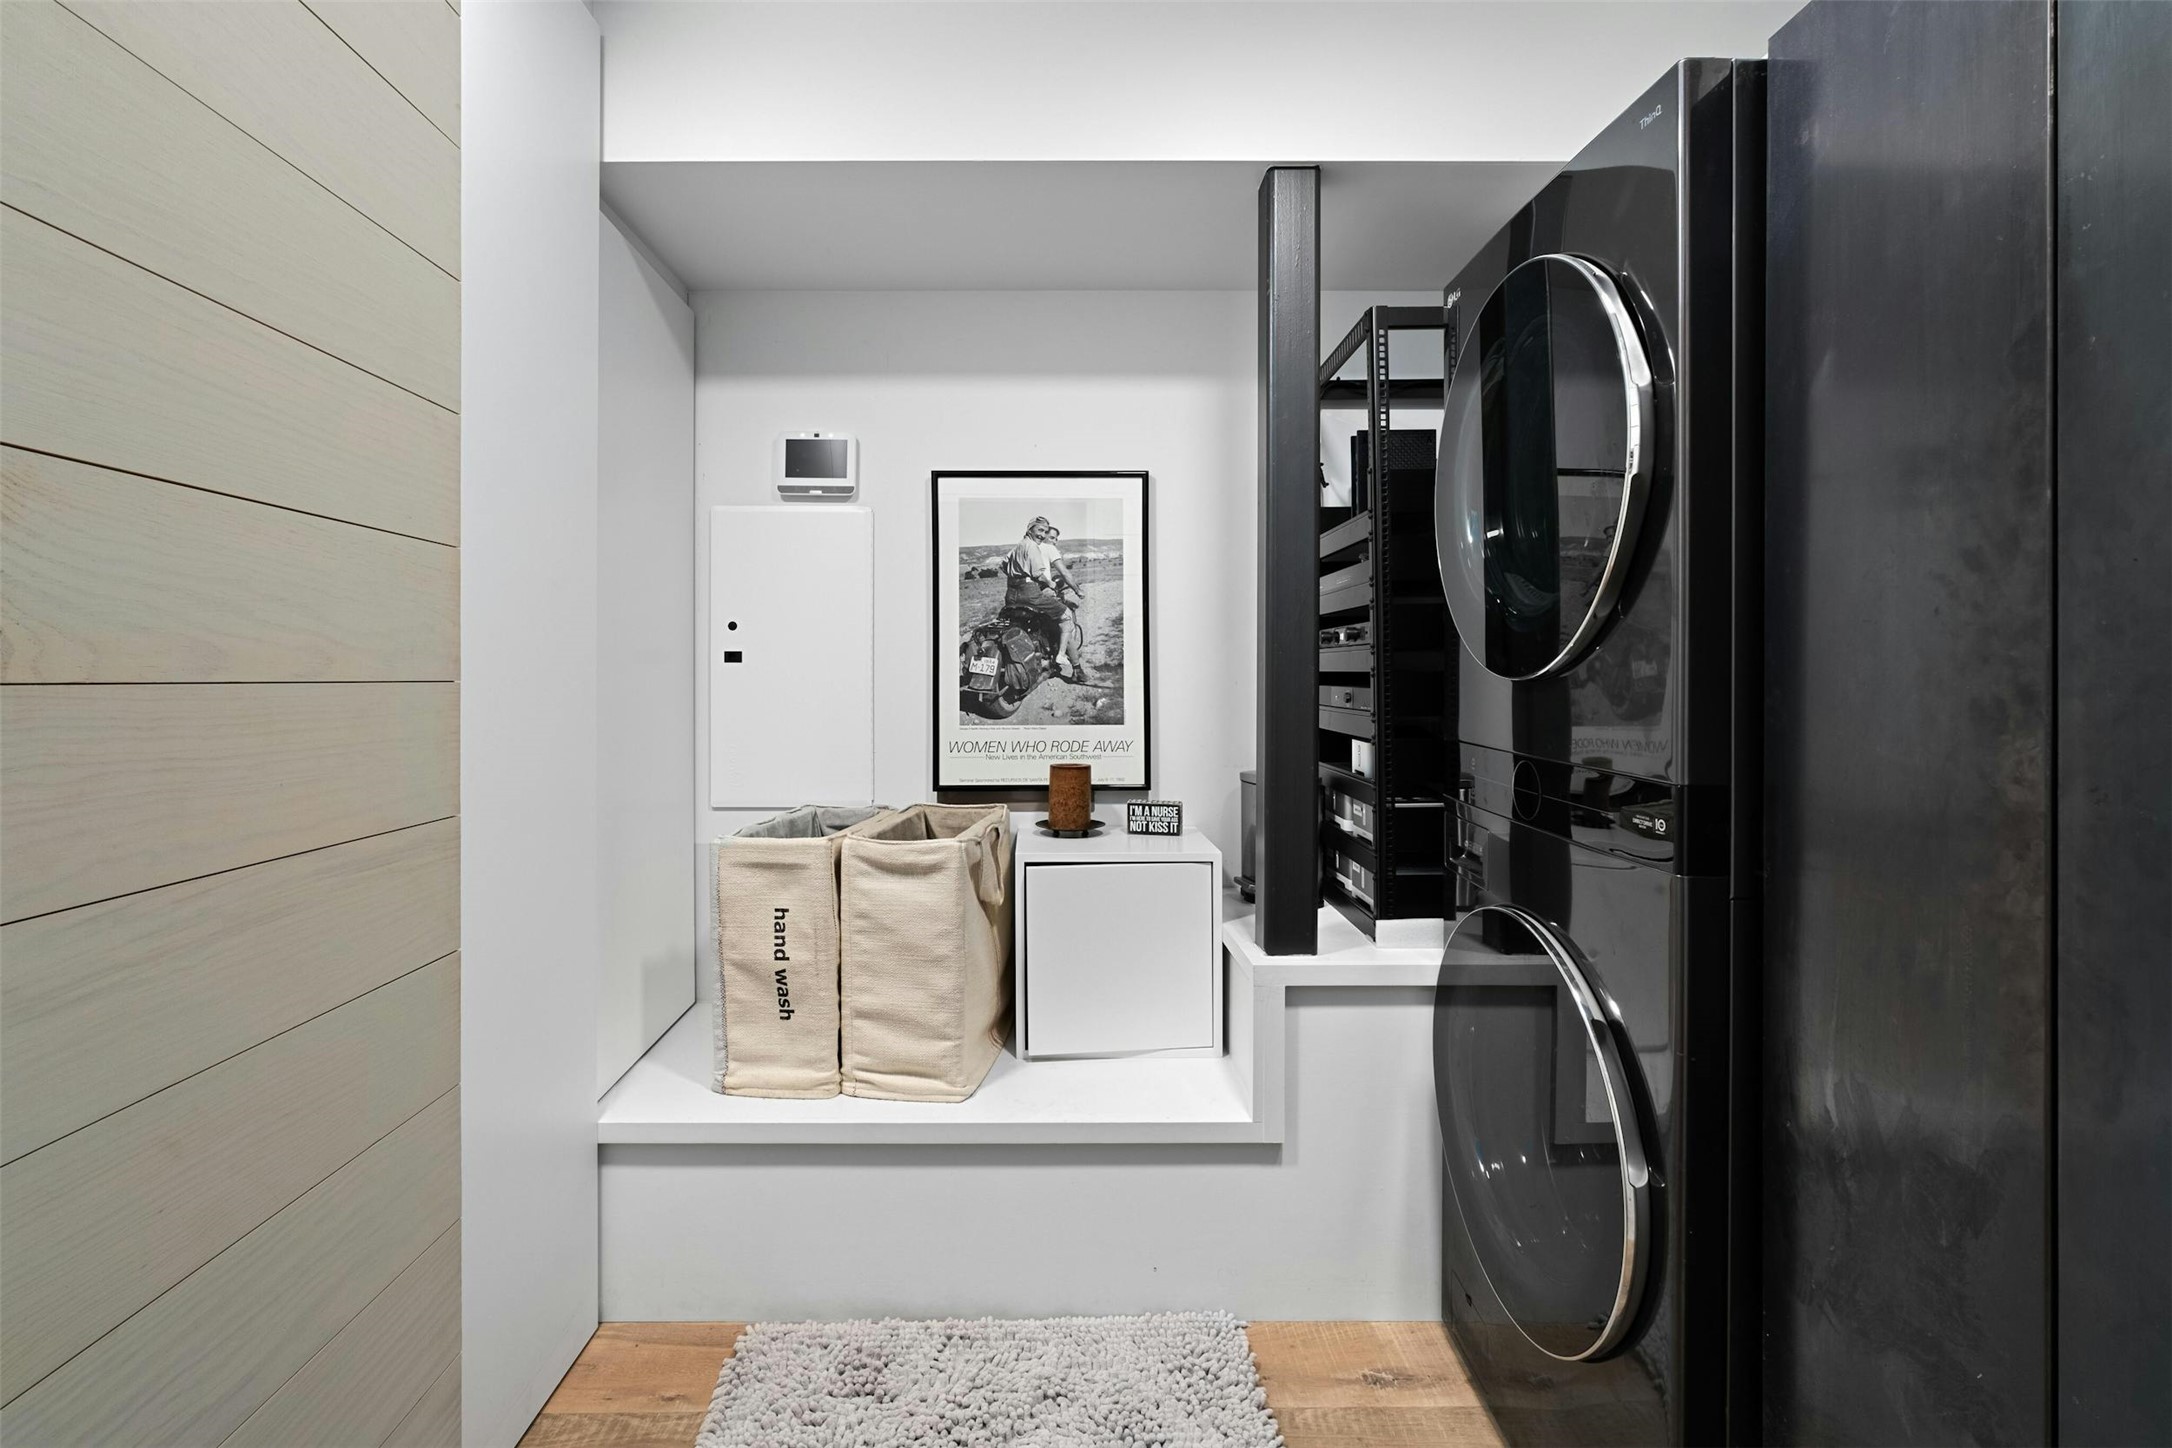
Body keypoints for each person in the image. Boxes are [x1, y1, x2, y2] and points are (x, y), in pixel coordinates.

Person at [999, 516, 1087, 682]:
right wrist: (1060, 586)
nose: (1045, 536)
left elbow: (1003, 565)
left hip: (1011, 595)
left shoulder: (1018, 546)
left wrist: (1017, 575)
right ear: (1030, 529)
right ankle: (1072, 665)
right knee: (1066, 618)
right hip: (1032, 593)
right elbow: (1053, 573)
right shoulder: (1039, 547)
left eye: (1046, 533)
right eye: (1041, 531)